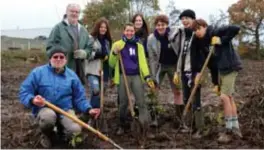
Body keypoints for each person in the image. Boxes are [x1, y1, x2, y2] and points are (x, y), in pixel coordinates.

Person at [19, 46, 100, 148]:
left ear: (65, 60)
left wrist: (89, 109)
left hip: (65, 110)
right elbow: (24, 91)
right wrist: (32, 100)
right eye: (55, 57)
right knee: (48, 118)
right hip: (45, 109)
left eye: (61, 57)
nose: (58, 59)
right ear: (50, 59)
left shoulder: (72, 76)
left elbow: (80, 98)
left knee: (75, 130)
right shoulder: (38, 73)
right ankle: (47, 135)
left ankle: (62, 131)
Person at [192, 18, 242, 143]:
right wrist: (215, 83)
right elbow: (212, 65)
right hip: (221, 70)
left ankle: (229, 129)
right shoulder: (203, 43)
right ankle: (235, 127)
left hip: (231, 66)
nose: (197, 32)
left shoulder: (215, 31)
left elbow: (236, 28)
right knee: (229, 97)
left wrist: (221, 40)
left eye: (199, 28)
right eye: (194, 30)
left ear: (204, 26)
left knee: (224, 97)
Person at [171, 9, 219, 138]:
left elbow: (202, 55)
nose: (184, 20)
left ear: (193, 20)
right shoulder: (182, 35)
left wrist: (198, 72)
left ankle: (200, 128)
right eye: (183, 18)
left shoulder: (197, 35)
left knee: (196, 100)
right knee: (187, 99)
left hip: (195, 72)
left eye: (188, 18)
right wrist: (177, 70)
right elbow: (180, 53)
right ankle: (190, 126)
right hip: (183, 71)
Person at [109, 23, 155, 135]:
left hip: (136, 76)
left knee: (141, 101)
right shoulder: (117, 44)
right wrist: (114, 53)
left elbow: (143, 62)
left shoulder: (138, 45)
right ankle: (121, 125)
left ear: (134, 32)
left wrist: (147, 76)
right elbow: (111, 63)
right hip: (122, 76)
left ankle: (144, 125)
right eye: (127, 31)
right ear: (124, 32)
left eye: (132, 31)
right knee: (123, 102)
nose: (129, 33)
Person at [147, 14, 183, 127]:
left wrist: (178, 71)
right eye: (158, 25)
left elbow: (183, 30)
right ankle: (154, 118)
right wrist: (153, 76)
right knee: (154, 90)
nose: (160, 27)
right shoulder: (151, 38)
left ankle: (179, 119)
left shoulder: (174, 34)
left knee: (178, 91)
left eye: (163, 25)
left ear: (167, 25)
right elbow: (152, 59)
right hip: (160, 66)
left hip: (173, 66)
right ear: (155, 26)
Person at [46, 3, 92, 84]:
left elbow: (89, 47)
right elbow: (50, 48)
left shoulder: (83, 30)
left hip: (79, 71)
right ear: (66, 12)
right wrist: (58, 60)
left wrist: (85, 53)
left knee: (77, 94)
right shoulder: (58, 28)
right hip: (62, 70)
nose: (74, 14)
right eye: (72, 11)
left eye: (77, 12)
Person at [85, 17, 113, 109]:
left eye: (105, 27)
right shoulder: (91, 39)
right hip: (93, 70)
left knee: (101, 93)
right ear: (98, 27)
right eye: (101, 27)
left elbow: (109, 55)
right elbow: (87, 54)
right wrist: (97, 54)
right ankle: (92, 111)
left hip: (104, 70)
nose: (103, 29)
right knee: (96, 90)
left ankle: (97, 111)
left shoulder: (107, 41)